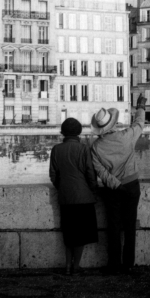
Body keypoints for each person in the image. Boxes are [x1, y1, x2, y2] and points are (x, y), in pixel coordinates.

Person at [90, 93, 147, 275]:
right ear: (113, 123)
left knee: (113, 226)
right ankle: (128, 263)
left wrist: (116, 184)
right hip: (132, 185)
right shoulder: (126, 136)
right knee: (130, 225)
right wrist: (140, 108)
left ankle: (113, 264)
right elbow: (139, 124)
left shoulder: (96, 148)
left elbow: (101, 173)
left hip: (113, 190)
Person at [48, 117, 99, 276]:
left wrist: (62, 188)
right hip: (83, 198)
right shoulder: (84, 149)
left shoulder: (56, 149)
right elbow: (91, 174)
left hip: (66, 198)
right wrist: (91, 189)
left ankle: (67, 266)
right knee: (81, 235)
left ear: (63, 132)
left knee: (69, 234)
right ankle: (76, 266)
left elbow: (53, 175)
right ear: (79, 132)